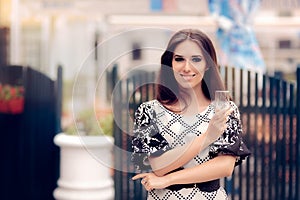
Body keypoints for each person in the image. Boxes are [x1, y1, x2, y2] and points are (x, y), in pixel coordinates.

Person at [131, 29, 251, 200]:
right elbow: (160, 165)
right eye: (179, 59)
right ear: (169, 63)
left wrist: (168, 179)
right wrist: (207, 138)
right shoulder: (149, 111)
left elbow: (224, 166)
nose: (187, 67)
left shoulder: (224, 109)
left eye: (196, 59)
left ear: (208, 64)